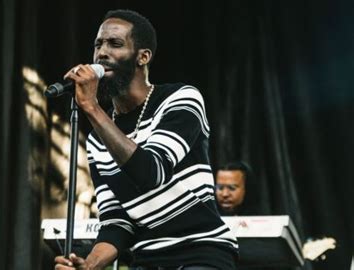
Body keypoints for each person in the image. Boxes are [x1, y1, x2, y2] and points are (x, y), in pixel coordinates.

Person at [55, 9, 238, 269]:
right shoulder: (98, 140)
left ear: (143, 56)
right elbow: (116, 222)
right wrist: (89, 265)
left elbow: (153, 171)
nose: (102, 53)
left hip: (201, 252)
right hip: (148, 260)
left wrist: (91, 108)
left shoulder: (180, 99)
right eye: (98, 45)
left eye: (115, 44)